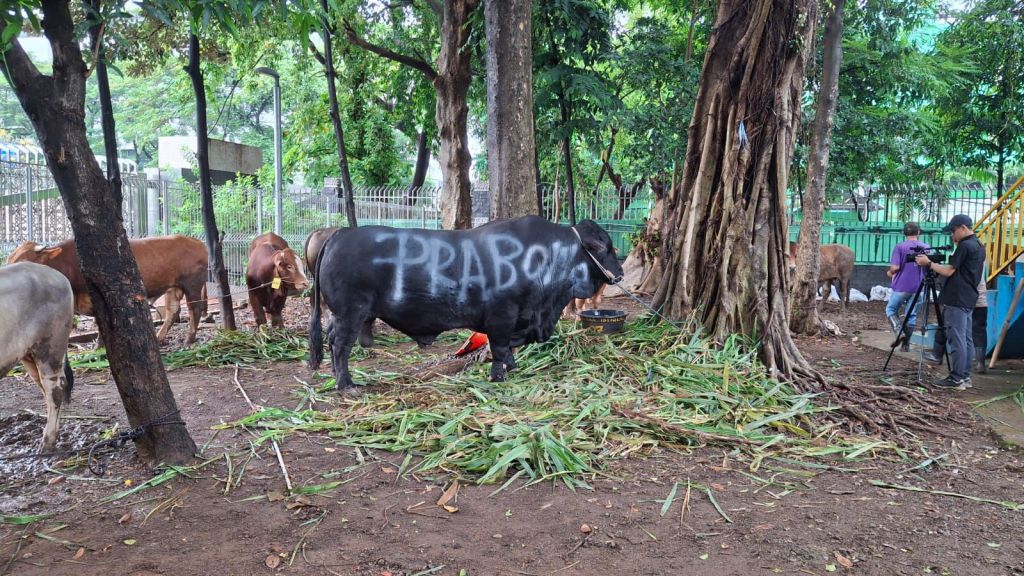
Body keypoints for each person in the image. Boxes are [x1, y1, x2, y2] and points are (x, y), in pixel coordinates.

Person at [915, 214, 985, 389]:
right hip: (969, 296)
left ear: (963, 228)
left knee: (957, 338)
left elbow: (948, 271)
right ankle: (965, 376)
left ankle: (956, 378)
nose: (952, 236)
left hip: (957, 297)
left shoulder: (965, 246)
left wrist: (928, 263)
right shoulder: (978, 245)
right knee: (966, 338)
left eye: (953, 231)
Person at [924, 274, 988, 374]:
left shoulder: (963, 261)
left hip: (963, 299)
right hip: (980, 298)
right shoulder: (979, 259)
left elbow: (950, 272)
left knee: (946, 326)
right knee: (979, 331)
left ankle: (937, 355)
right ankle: (980, 363)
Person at [886, 222, 929, 351]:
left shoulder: (900, 247)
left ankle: (900, 332)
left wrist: (890, 272)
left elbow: (896, 267)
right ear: (919, 232)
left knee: (891, 309)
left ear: (904, 233)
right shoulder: (926, 247)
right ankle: (906, 346)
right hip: (919, 287)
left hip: (902, 286)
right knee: (911, 314)